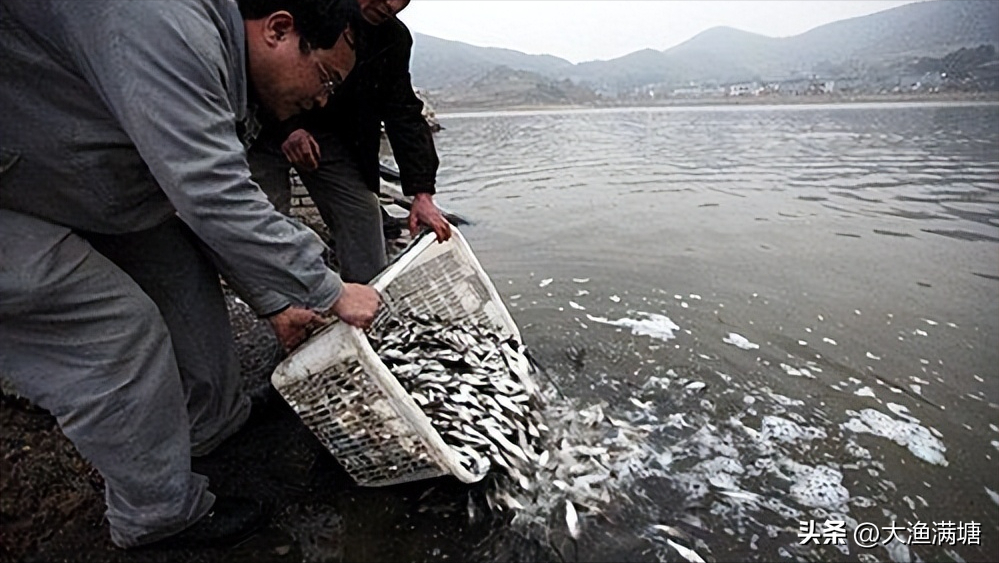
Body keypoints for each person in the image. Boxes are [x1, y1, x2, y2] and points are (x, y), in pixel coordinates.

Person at [0, 0, 380, 550]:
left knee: (182, 279)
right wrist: (329, 288)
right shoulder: (162, 20)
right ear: (278, 28)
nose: (322, 99)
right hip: (16, 191)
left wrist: (276, 301)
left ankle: (214, 424)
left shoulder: (221, 65)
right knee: (116, 329)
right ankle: (156, 516)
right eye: (325, 78)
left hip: (69, 173)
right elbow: (210, 191)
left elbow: (198, 202)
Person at [249, 0, 451, 285]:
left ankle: (366, 301)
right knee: (263, 213)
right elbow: (263, 69)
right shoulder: (310, 10)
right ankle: (279, 309)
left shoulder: (392, 38)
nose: (391, 5)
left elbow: (402, 111)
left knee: (363, 213)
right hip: (267, 125)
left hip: (331, 141)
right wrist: (289, 128)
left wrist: (422, 192)